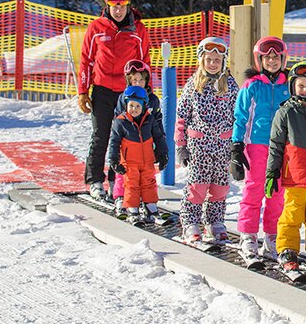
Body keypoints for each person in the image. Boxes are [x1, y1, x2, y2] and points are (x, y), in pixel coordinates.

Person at [77, 0, 150, 200]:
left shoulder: (138, 30)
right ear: (107, 6)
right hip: (102, 90)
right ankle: (95, 180)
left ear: (128, 5)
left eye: (122, 6)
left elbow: (145, 63)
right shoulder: (97, 28)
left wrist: (146, 92)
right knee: (101, 135)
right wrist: (83, 91)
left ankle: (115, 181)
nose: (118, 10)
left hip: (127, 93)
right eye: (113, 6)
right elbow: (86, 61)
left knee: (123, 137)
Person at [265, 61, 306, 272]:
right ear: (293, 86)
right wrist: (271, 173)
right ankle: (287, 249)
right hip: (294, 175)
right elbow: (275, 145)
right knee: (291, 214)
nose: (305, 90)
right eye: (301, 86)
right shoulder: (285, 113)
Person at [175, 37, 239, 244]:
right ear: (201, 60)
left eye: (217, 60)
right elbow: (181, 116)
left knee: (220, 187)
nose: (213, 63)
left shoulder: (229, 84)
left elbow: (238, 115)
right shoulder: (193, 84)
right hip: (199, 145)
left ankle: (215, 221)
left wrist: (237, 144)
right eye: (209, 59)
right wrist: (181, 146)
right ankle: (191, 222)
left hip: (223, 145)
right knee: (197, 187)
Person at [231, 36, 290, 259]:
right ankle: (247, 234)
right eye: (268, 58)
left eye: (277, 57)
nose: (272, 61)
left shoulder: (289, 86)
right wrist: (237, 146)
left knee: (277, 192)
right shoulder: (252, 86)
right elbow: (241, 117)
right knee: (254, 189)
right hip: (257, 144)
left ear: (283, 59)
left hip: (282, 147)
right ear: (260, 60)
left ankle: (272, 236)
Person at [106, 86, 168, 225]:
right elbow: (114, 142)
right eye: (131, 105)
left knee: (149, 184)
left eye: (137, 106)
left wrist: (162, 153)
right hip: (130, 162)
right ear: (126, 105)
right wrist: (114, 160)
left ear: (144, 106)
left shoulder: (150, 120)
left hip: (147, 160)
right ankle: (133, 210)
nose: (134, 109)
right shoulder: (120, 122)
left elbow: (158, 137)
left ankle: (151, 208)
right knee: (131, 185)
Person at [111, 59, 162, 217]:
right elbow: (118, 120)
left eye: (141, 80)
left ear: (146, 80)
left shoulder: (152, 100)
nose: (138, 83)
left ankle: (148, 202)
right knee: (125, 173)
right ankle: (120, 197)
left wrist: (160, 144)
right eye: (134, 80)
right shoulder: (123, 98)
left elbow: (158, 121)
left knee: (147, 174)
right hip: (127, 143)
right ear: (129, 80)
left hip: (145, 142)